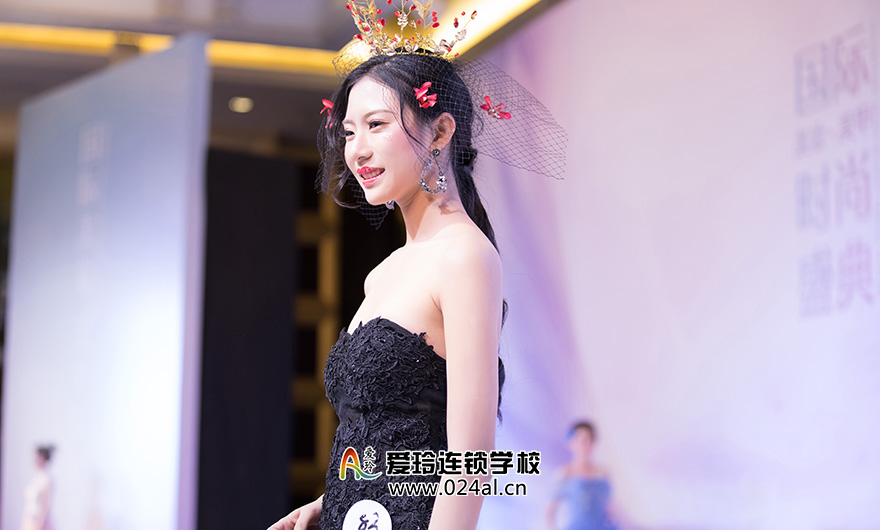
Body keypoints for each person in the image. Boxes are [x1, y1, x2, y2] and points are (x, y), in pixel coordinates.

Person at [269, 43, 506, 530]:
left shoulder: (464, 256)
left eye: (376, 125)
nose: (357, 149)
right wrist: (327, 503)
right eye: (348, 132)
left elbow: (472, 458)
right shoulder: (384, 272)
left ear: (440, 131)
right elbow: (381, 430)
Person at [546, 422, 619, 530]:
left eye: (587, 440)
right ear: (572, 443)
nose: (583, 445)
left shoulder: (603, 473)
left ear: (593, 443)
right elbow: (550, 510)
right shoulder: (565, 473)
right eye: (579, 440)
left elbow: (609, 507)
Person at [21, 445, 54, 530]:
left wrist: (39, 524)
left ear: (42, 458)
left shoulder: (45, 479)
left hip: (37, 522)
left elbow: (44, 505)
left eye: (36, 457)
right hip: (30, 519)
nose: (33, 460)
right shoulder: (36, 477)